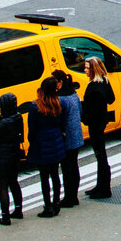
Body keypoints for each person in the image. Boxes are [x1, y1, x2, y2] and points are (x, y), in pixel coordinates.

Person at [27, 76, 66, 218]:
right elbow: (61, 123)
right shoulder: (58, 103)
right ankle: (56, 203)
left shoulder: (35, 106)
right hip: (56, 141)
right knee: (55, 174)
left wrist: (32, 142)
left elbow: (32, 129)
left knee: (44, 177)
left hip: (41, 144)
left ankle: (48, 206)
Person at [82, 57, 115, 199]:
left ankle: (104, 189)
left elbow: (91, 110)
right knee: (101, 155)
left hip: (95, 124)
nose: (85, 70)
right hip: (101, 122)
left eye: (87, 68)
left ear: (93, 69)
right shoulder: (104, 81)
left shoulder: (93, 87)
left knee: (100, 155)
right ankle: (100, 185)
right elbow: (111, 99)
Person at [0, 92, 25, 226]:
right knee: (14, 182)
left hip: (2, 156)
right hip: (14, 154)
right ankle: (18, 209)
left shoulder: (2, 123)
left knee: (3, 186)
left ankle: (5, 216)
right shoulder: (18, 117)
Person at [54, 69, 84, 208]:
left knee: (66, 169)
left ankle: (68, 198)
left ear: (60, 82)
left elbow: (59, 119)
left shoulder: (60, 99)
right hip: (76, 134)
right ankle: (74, 196)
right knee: (74, 166)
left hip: (66, 137)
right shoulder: (73, 93)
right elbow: (80, 112)